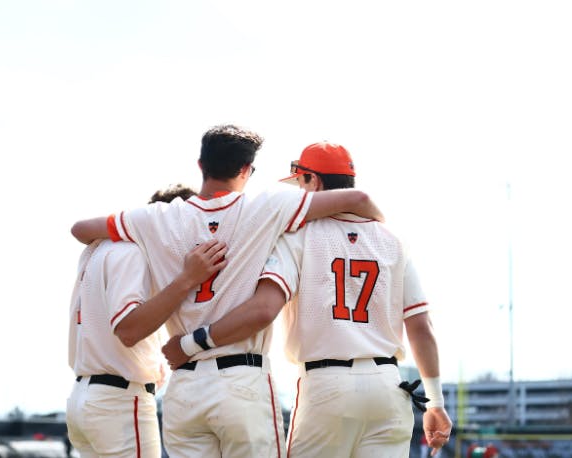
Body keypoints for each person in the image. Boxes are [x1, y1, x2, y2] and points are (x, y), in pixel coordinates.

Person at [70, 125, 385, 458]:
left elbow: (81, 229)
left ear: (201, 165)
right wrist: (379, 231)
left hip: (185, 383)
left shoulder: (155, 217)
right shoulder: (266, 206)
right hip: (242, 379)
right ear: (246, 170)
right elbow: (359, 199)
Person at [164, 142, 453, 457]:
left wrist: (191, 344)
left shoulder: (299, 234)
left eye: (300, 182)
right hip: (387, 385)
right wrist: (435, 402)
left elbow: (263, 309)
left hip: (326, 384)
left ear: (313, 181)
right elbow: (422, 327)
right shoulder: (392, 239)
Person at [66, 185, 227, 458]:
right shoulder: (133, 251)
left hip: (85, 398)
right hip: (118, 401)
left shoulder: (98, 248)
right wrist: (187, 279)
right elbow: (128, 330)